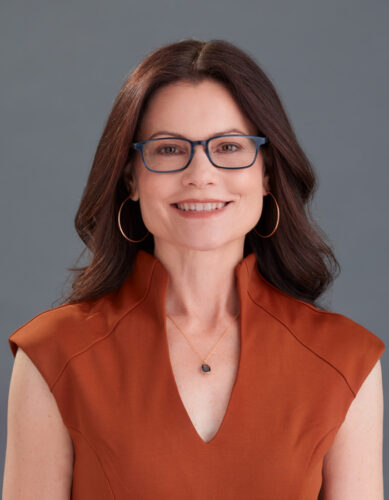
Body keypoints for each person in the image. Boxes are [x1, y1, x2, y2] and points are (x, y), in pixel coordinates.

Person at [2, 38, 385, 499]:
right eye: (168, 149)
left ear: (266, 174)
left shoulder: (345, 361)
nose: (200, 174)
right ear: (131, 178)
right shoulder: (53, 355)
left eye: (228, 146)